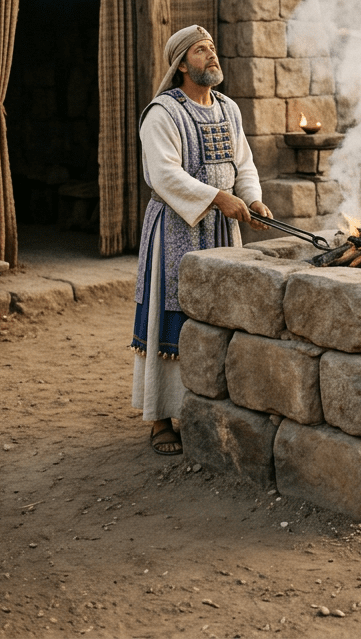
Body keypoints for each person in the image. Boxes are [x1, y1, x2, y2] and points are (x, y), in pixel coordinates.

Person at [132, 25, 272, 456]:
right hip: (177, 229)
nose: (211, 56)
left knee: (225, 316)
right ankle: (160, 418)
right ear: (180, 65)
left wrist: (252, 199)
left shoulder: (229, 109)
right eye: (200, 50)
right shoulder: (163, 113)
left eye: (212, 48)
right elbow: (164, 174)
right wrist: (216, 197)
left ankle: (212, 409)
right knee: (170, 317)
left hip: (223, 230)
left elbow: (242, 160)